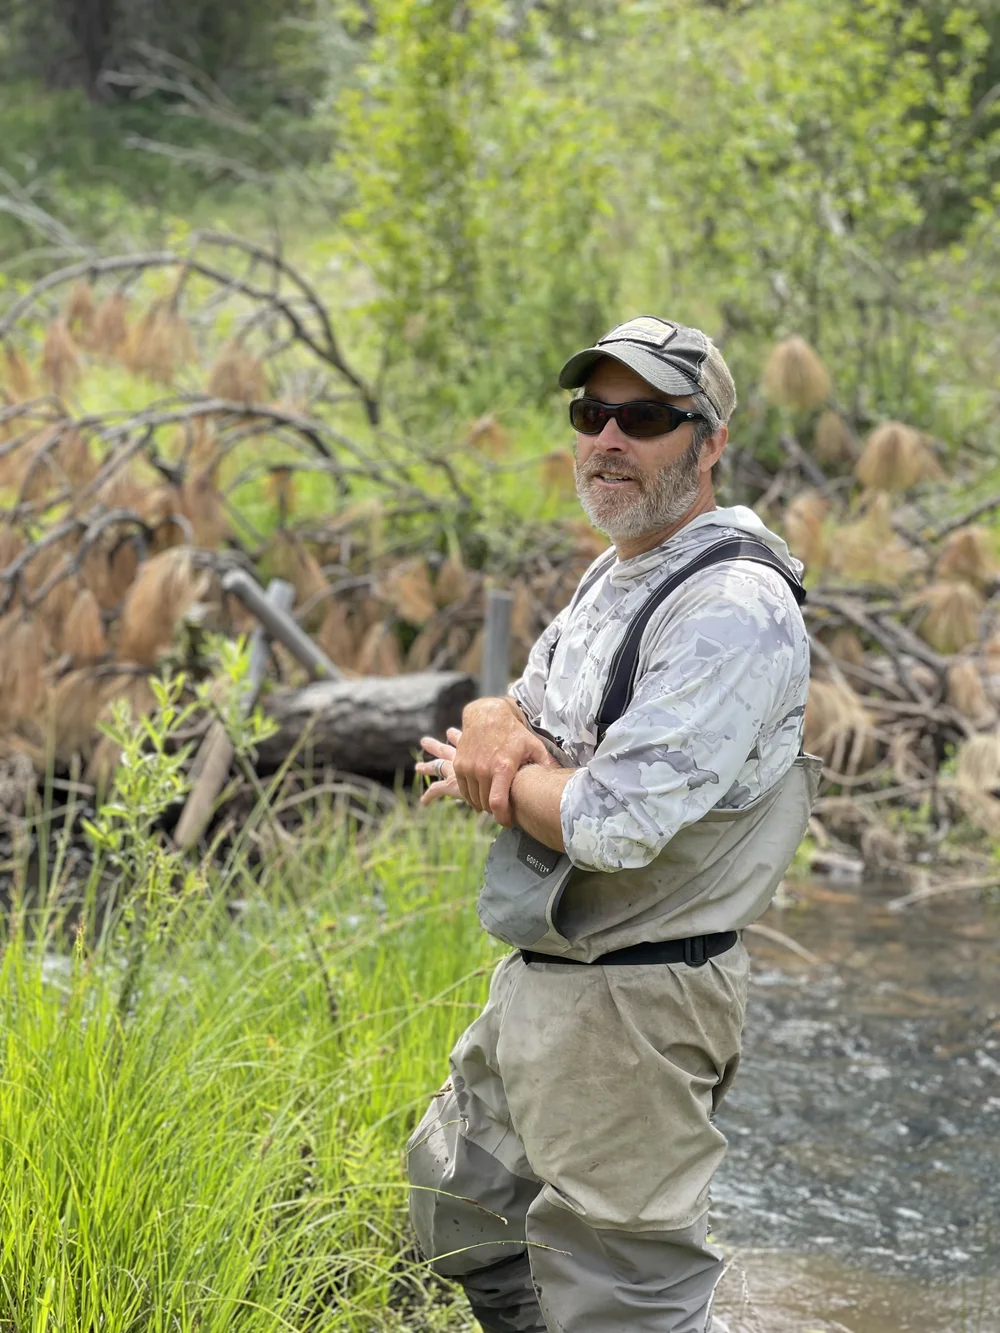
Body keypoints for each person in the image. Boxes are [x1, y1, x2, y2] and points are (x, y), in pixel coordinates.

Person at [408, 315, 819, 1332]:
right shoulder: (621, 568)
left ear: (707, 440)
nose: (608, 439)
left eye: (643, 417)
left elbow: (613, 823)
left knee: (622, 1296)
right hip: (546, 976)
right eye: (592, 413)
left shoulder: (733, 607)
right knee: (457, 1206)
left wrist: (494, 773)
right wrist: (494, 725)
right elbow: (522, 715)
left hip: (640, 1001)